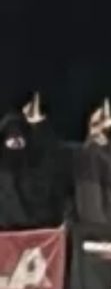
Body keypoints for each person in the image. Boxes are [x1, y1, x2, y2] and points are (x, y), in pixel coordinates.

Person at [0, 94, 67, 230]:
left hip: (38, 231)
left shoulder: (36, 170)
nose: (15, 146)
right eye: (12, 142)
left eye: (19, 142)